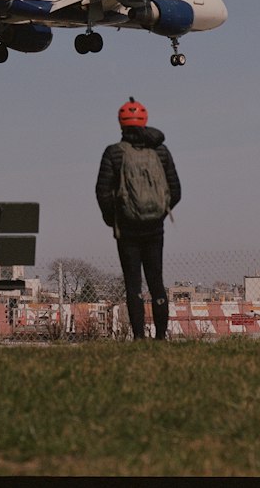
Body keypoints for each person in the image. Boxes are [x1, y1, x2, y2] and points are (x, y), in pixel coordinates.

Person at [96, 97, 181, 340]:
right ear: (145, 120)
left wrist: (114, 219)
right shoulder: (161, 151)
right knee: (156, 281)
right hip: (155, 228)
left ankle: (138, 337)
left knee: (133, 283)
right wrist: (159, 214)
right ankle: (161, 337)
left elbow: (102, 191)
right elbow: (175, 191)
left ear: (120, 123)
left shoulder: (114, 152)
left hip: (127, 229)